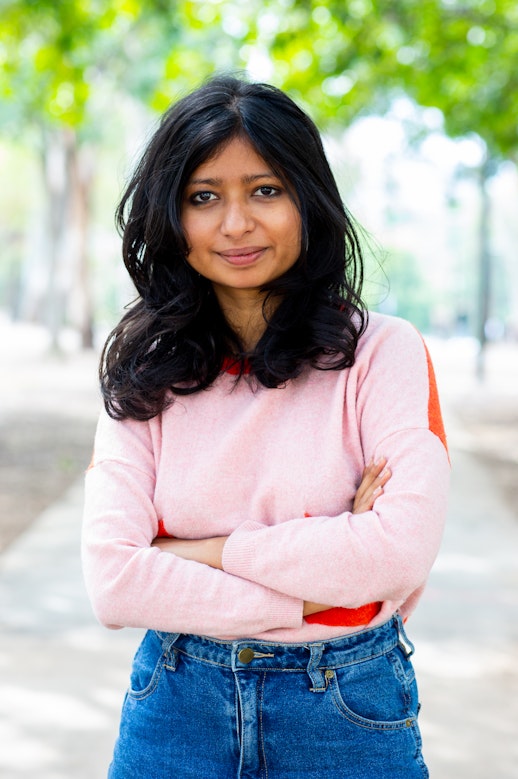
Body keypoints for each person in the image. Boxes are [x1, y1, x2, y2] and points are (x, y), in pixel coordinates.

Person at [82, 74, 450, 779]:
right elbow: (115, 580)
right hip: (175, 703)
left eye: (266, 190)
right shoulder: (143, 371)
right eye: (203, 197)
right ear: (171, 215)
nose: (235, 224)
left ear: (308, 201)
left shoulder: (383, 353)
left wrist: (200, 549)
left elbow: (398, 553)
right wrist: (319, 586)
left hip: (345, 709)